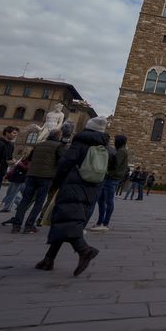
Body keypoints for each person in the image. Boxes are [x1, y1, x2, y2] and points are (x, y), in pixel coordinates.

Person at [35, 116, 114, 275]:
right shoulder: (107, 148)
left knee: (67, 219)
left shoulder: (80, 143)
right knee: (67, 219)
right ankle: (49, 258)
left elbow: (66, 163)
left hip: (73, 184)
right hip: (92, 188)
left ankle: (84, 250)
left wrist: (55, 183)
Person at [10, 128, 68, 234]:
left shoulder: (38, 145)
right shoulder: (59, 146)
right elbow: (62, 161)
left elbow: (30, 159)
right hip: (46, 177)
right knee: (39, 202)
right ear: (58, 137)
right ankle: (29, 226)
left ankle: (16, 225)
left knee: (25, 200)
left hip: (32, 175)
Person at [91, 134, 129, 232]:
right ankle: (101, 222)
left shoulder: (121, 151)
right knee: (103, 200)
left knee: (107, 201)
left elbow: (116, 165)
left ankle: (104, 223)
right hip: (112, 178)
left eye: (116, 140)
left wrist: (107, 170)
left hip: (111, 178)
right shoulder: (122, 151)